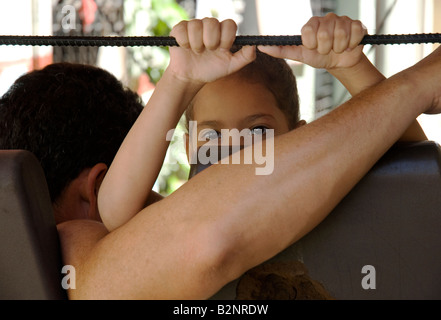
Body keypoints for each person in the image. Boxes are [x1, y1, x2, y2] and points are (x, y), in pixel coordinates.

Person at [0, 14, 440, 300]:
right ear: (190, 146)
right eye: (213, 136)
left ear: (299, 140)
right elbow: (114, 208)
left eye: (258, 132)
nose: (236, 150)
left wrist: (351, 66)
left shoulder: (320, 192)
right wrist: (178, 81)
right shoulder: (165, 218)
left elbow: (412, 176)